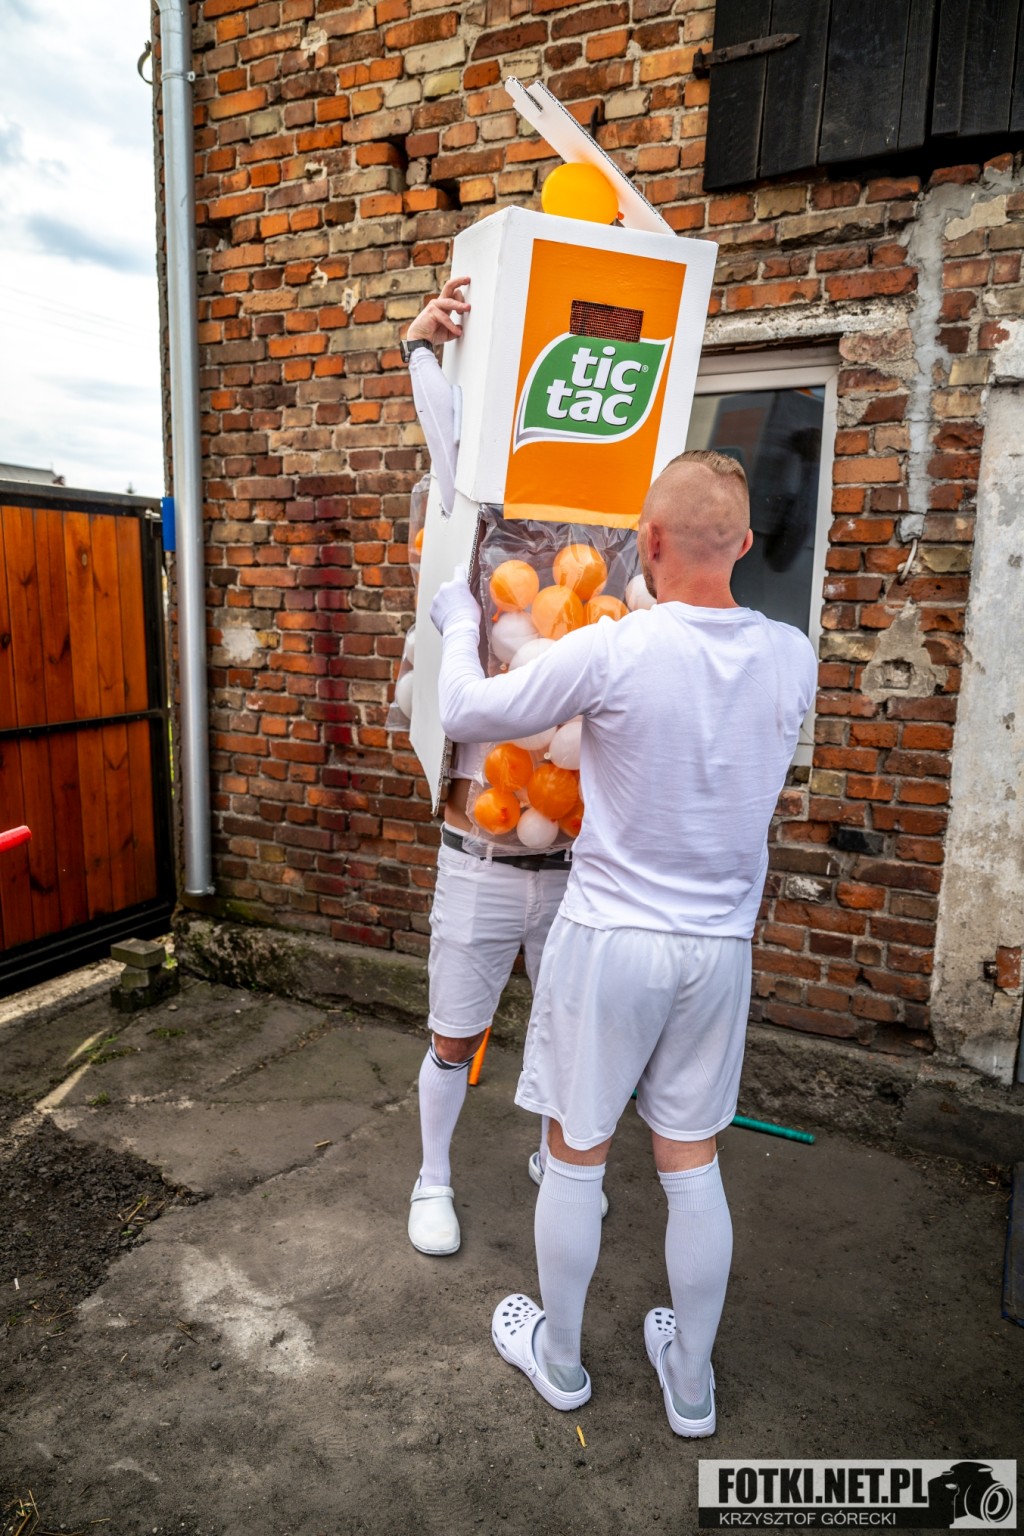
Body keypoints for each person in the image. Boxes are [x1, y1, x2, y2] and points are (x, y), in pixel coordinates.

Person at [429, 450, 817, 1434]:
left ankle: (560, 1361)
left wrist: (459, 624)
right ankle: (690, 1384)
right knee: (690, 1157)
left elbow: (465, 709)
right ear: (745, 543)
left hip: (611, 939)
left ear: (646, 542)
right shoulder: (792, 655)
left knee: (577, 1150)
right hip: (716, 949)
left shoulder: (621, 648)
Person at [400, 278, 606, 1258]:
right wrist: (420, 346)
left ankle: (556, 1164)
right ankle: (432, 1177)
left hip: (573, 860)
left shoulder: (596, 542)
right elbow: (448, 438)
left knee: (571, 1038)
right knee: (454, 1031)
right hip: (477, 855)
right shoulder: (475, 518)